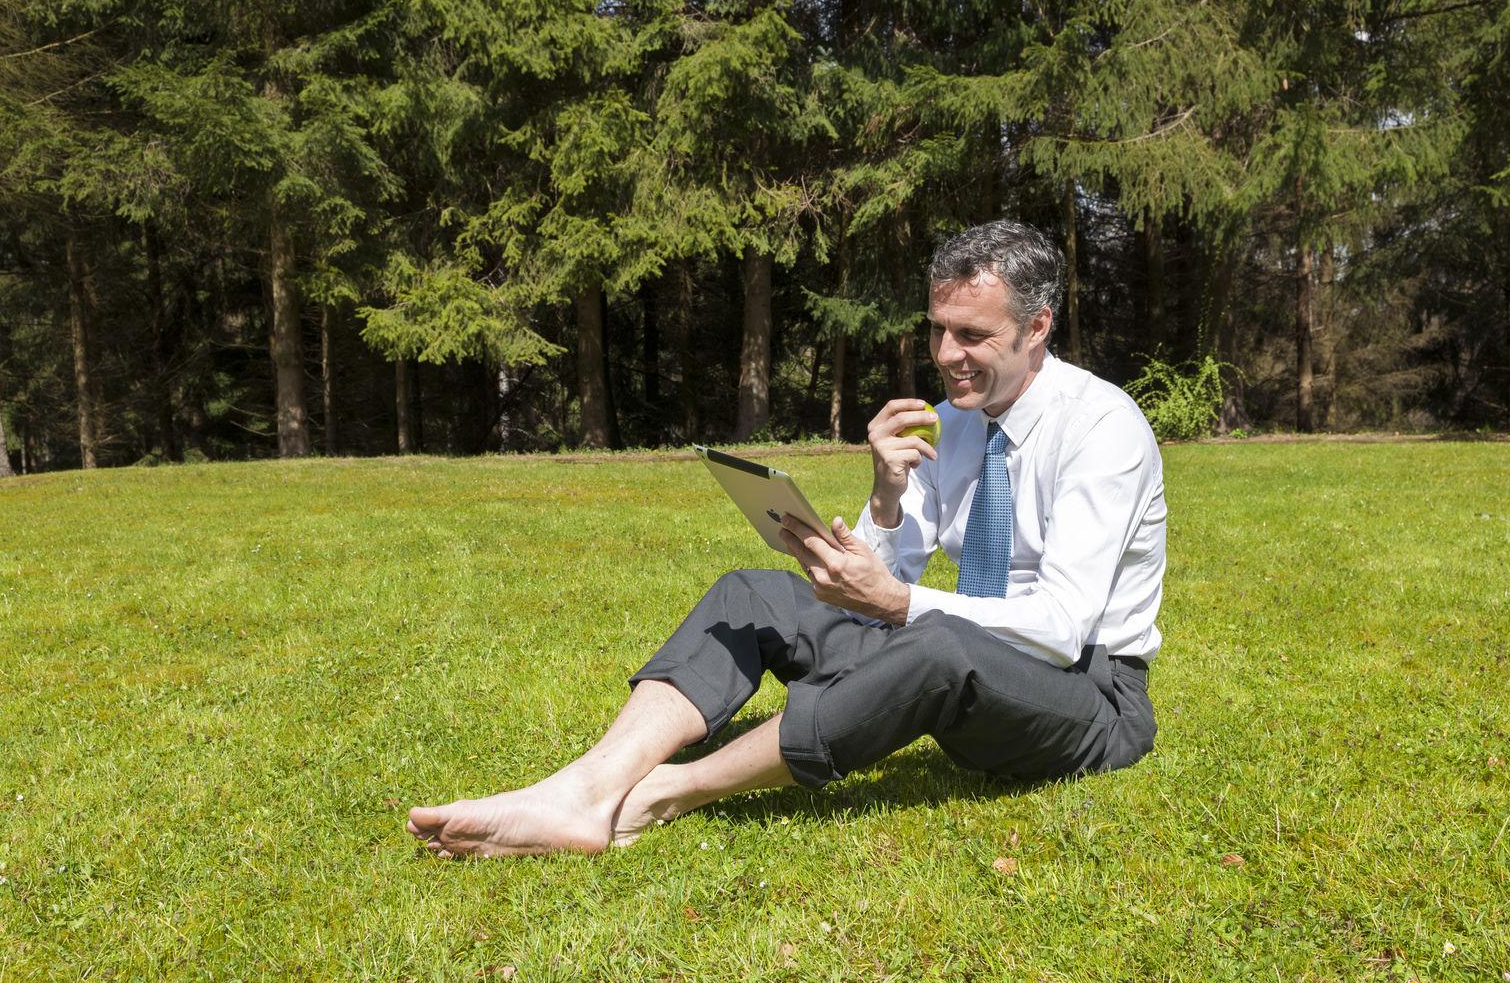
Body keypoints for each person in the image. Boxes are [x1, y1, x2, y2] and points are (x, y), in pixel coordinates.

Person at [407, 219, 1166, 858]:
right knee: (754, 593)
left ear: (1038, 328)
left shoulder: (1103, 429)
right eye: (937, 328)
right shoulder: (955, 422)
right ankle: (585, 788)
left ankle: (669, 791)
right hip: (971, 666)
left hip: (1088, 696)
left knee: (936, 642)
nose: (944, 353)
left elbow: (1062, 631)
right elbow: (884, 579)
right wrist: (886, 495)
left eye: (972, 334)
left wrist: (901, 603)